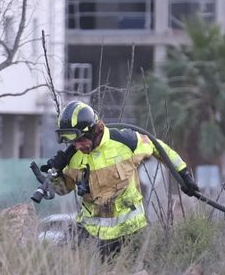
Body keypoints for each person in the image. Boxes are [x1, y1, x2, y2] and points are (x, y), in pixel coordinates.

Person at [44, 100, 196, 256]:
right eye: (73, 143)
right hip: (91, 237)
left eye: (81, 140)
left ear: (94, 131)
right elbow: (63, 189)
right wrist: (53, 177)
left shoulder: (126, 142)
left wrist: (183, 173)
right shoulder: (74, 157)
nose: (77, 147)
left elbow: (158, 147)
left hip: (131, 235)